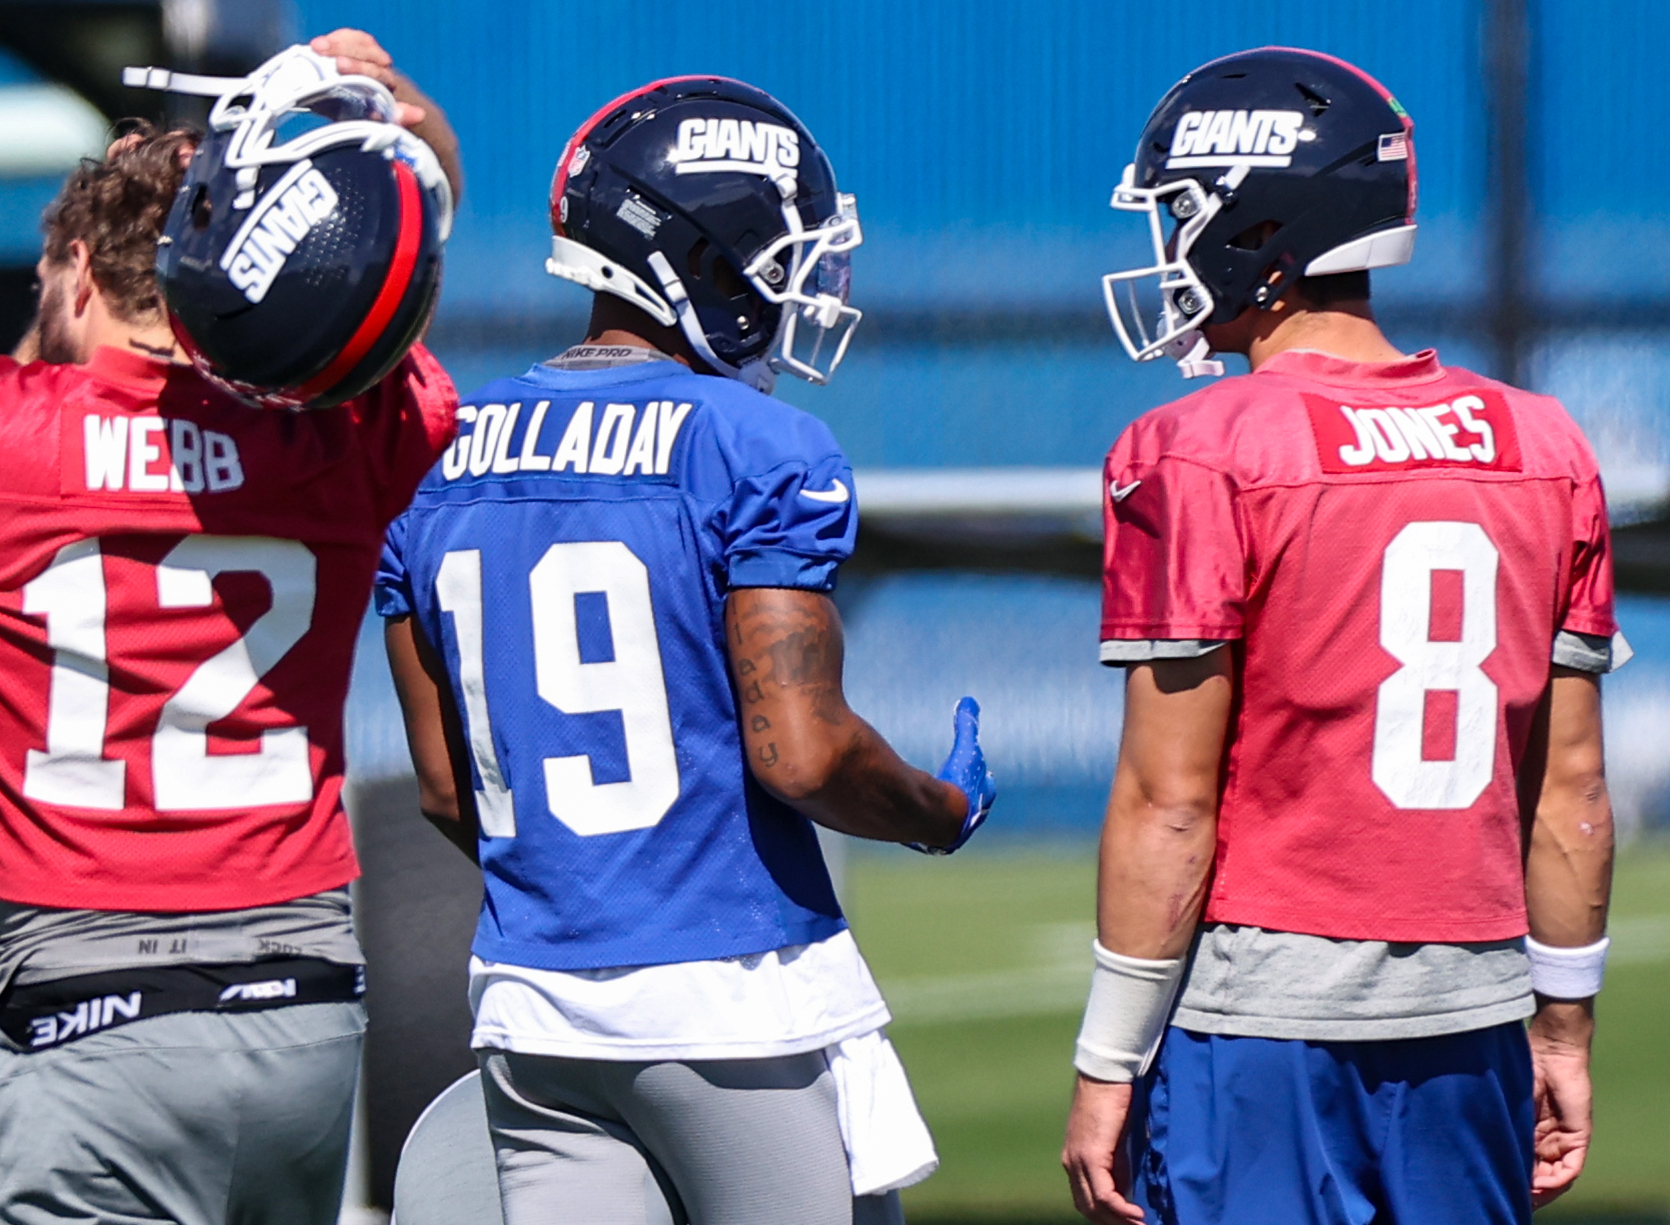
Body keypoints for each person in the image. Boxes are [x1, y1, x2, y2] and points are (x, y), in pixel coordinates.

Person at [377, 75, 995, 1225]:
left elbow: (444, 786)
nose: (793, 287)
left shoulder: (437, 451)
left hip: (532, 1005)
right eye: (778, 254)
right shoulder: (755, 441)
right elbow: (801, 753)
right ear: (699, 256)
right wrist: (931, 809)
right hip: (733, 1001)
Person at [1061, 47, 1618, 1225]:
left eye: (1179, 213)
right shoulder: (1541, 440)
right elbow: (1568, 785)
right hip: (1472, 1021)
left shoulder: (1199, 446)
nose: (1166, 248)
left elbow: (1170, 801)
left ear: (1257, 222)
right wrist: (1560, 1024)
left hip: (1262, 1023)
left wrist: (1107, 1059)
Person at [0, 30, 460, 1225]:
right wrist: (377, 98)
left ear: (79, 276)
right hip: (302, 1007)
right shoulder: (340, 435)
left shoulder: (20, 442)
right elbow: (417, 241)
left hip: (84, 1005)